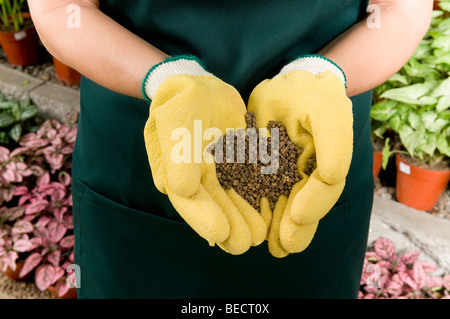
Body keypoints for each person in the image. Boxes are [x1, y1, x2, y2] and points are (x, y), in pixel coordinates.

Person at [28, 0, 433, 299]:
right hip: (144, 154)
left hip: (308, 146)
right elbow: (63, 9)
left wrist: (322, 73)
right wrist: (170, 80)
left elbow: (400, 11)